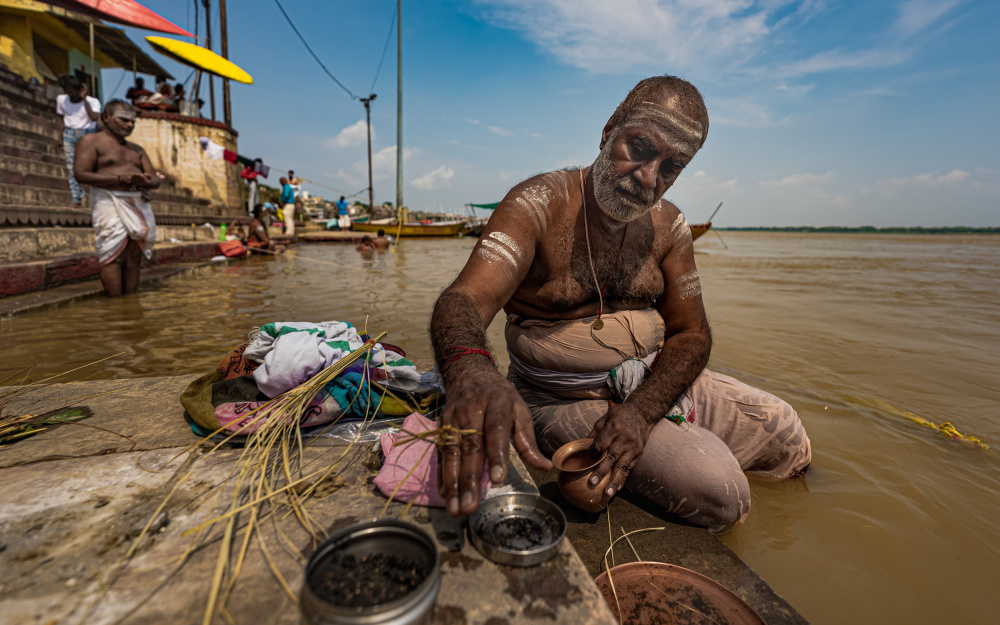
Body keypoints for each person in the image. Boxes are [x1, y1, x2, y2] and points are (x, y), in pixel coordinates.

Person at [428, 76, 811, 534]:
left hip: (652, 387)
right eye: (641, 148)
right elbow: (463, 301)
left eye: (671, 167)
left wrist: (643, 411)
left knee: (787, 437)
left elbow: (692, 334)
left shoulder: (670, 227)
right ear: (609, 130)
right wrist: (472, 373)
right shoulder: (538, 204)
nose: (649, 178)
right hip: (561, 398)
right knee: (722, 492)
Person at [73, 100, 160, 298]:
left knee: (134, 255)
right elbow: (81, 174)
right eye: (124, 120)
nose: (129, 125)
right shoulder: (90, 141)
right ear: (106, 118)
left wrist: (145, 181)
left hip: (138, 202)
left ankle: (130, 304)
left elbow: (155, 179)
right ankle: (115, 305)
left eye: (133, 122)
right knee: (112, 255)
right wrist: (121, 179)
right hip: (108, 200)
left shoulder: (137, 150)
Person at [56, 74, 100, 207]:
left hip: (88, 135)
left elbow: (94, 118)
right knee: (71, 168)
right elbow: (63, 117)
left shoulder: (93, 101)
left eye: (72, 91)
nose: (70, 94)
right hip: (69, 134)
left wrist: (84, 99)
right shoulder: (61, 99)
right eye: (67, 91)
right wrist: (60, 136)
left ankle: (97, 198)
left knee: (91, 167)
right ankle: (76, 198)